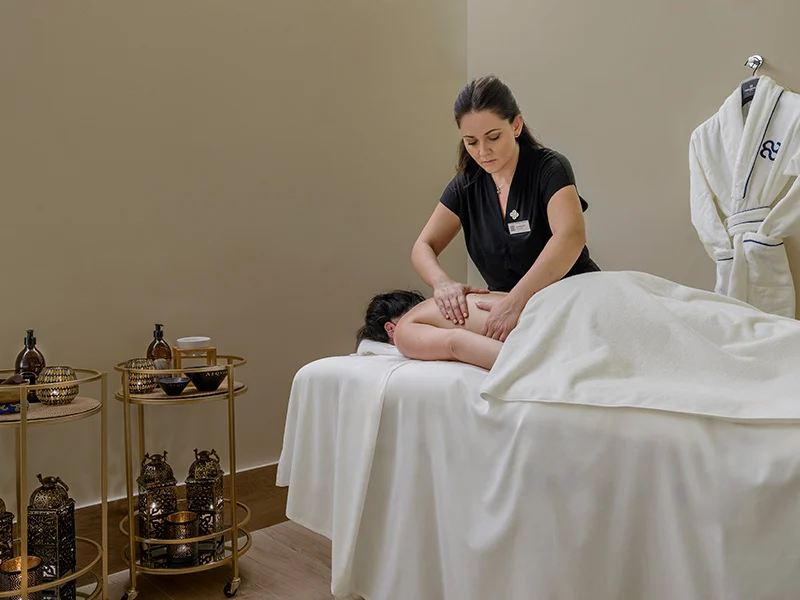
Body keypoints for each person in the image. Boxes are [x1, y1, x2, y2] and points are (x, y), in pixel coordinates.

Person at [412, 75, 600, 342]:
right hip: (508, 313)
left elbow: (571, 236)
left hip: (571, 297)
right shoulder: (467, 185)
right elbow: (423, 246)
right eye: (471, 141)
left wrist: (517, 301)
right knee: (413, 326)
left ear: (516, 125)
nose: (483, 151)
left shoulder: (549, 169)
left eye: (493, 137)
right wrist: (442, 284)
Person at [357, 289, 506, 371]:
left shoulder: (404, 331)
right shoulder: (439, 304)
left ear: (390, 329)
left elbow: (455, 343)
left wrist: (523, 366)